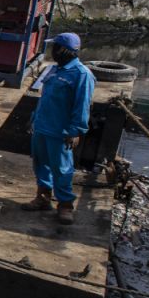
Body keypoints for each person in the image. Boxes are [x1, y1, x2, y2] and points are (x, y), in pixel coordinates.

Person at [22, 32, 95, 225]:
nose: (52, 51)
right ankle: (43, 197)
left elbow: (82, 106)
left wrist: (75, 131)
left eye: (55, 47)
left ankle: (65, 205)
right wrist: (33, 119)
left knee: (62, 169)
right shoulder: (53, 70)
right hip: (42, 127)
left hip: (60, 132)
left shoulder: (81, 75)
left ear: (64, 50)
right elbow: (44, 98)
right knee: (40, 164)